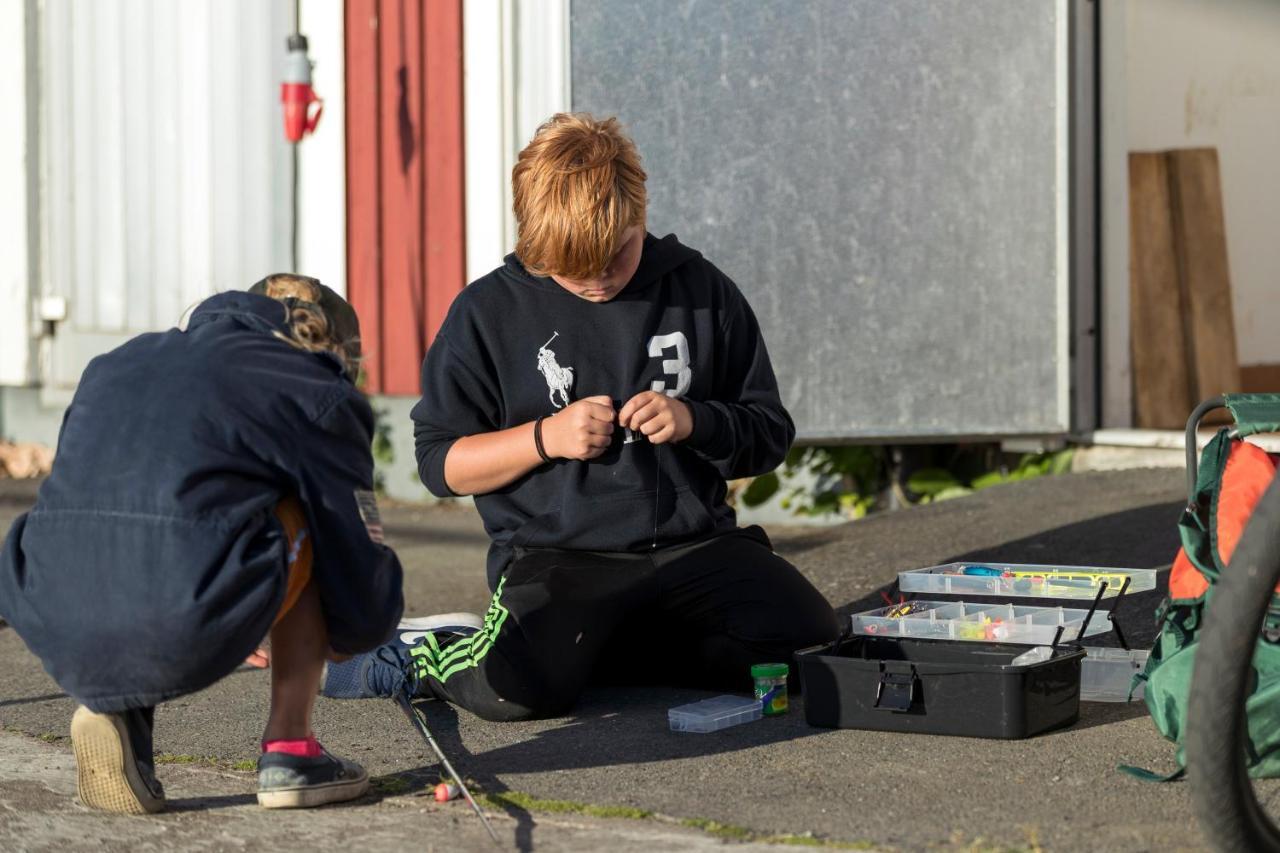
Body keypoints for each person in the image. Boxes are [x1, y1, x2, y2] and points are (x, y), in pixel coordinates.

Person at [324, 113, 840, 720]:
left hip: (694, 551)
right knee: (512, 693)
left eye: (615, 258)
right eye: (570, 268)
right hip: (560, 560)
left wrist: (696, 421)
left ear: (639, 214)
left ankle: (596, 655)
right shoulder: (486, 313)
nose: (596, 280)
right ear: (532, 240)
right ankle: (427, 654)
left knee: (813, 649)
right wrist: (545, 439)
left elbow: (768, 433)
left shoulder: (702, 290)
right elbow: (441, 466)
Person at [0, 275, 408, 813]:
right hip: (178, 606)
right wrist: (351, 628)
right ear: (337, 349)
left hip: (45, 599)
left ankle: (117, 712)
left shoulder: (121, 361)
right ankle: (291, 750)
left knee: (140, 525)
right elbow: (354, 553)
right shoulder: (315, 388)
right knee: (305, 513)